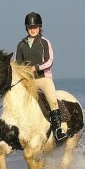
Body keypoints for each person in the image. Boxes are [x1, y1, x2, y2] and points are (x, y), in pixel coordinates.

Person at [15, 12, 68, 142]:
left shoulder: (45, 42)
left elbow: (50, 61)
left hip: (43, 78)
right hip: (28, 80)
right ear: (26, 28)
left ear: (39, 27)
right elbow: (18, 63)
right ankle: (12, 131)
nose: (32, 29)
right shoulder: (21, 45)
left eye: (35, 27)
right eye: (30, 27)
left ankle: (57, 130)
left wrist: (36, 67)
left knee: (52, 100)